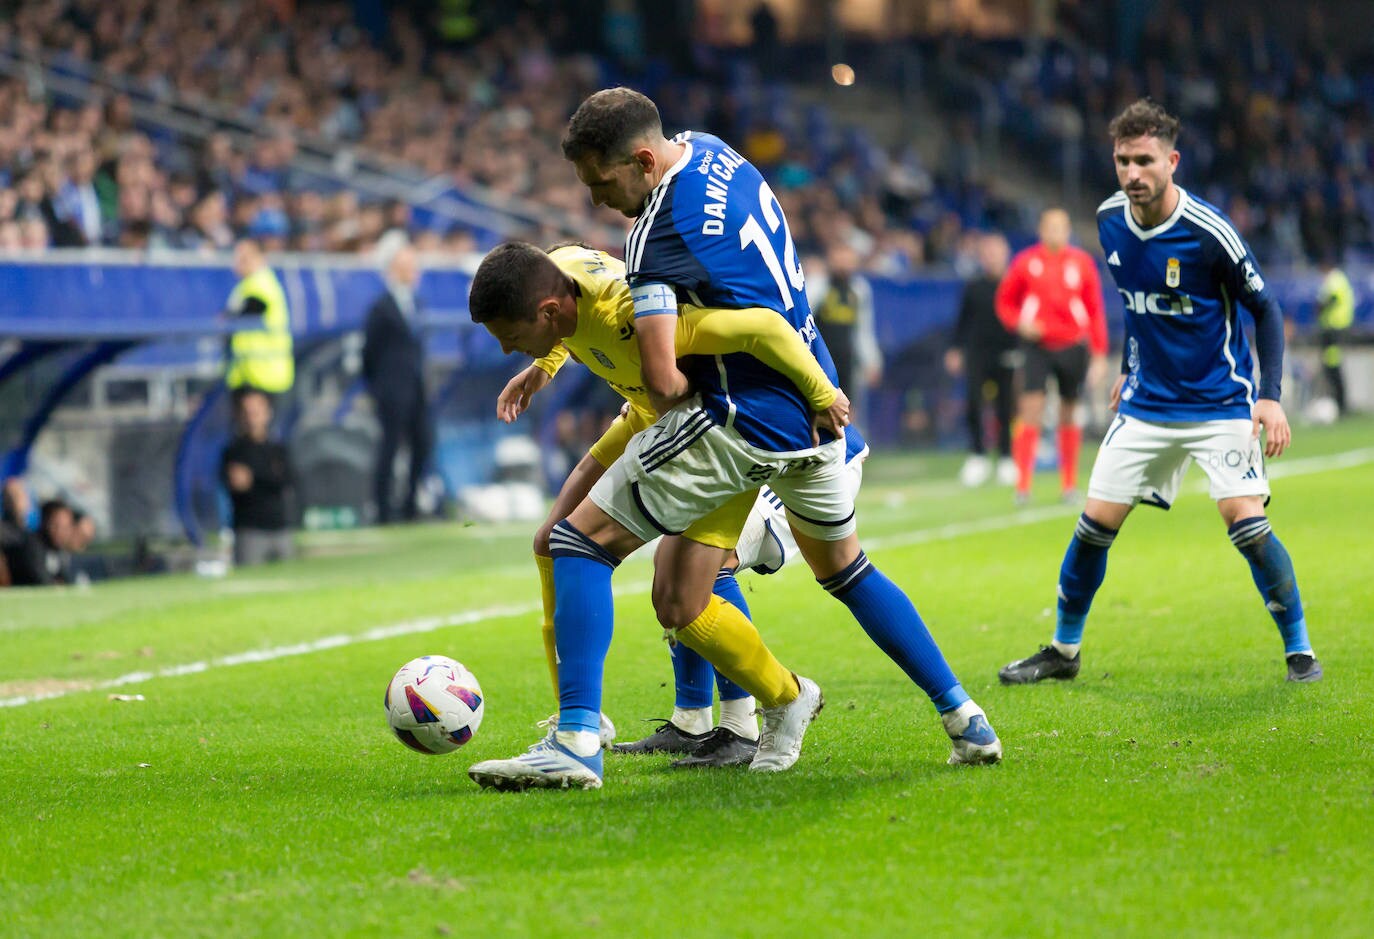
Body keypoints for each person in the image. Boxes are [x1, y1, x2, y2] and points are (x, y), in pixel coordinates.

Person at [467, 87, 1001, 791]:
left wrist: (670, 385)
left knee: (577, 539)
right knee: (818, 576)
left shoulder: (652, 245)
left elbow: (664, 377)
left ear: (641, 159)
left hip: (745, 414)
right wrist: (819, 390)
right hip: (810, 409)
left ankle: (576, 738)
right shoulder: (716, 154)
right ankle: (965, 719)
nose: (598, 199)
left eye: (603, 182)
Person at [483, 241, 870, 768]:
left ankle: (737, 713)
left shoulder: (627, 310)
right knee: (551, 542)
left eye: (512, 339)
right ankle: (581, 723)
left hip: (702, 430)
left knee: (684, 577)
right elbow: (553, 299)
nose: (509, 350)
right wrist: (543, 366)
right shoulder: (561, 266)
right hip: (645, 416)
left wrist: (822, 390)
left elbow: (756, 329)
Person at [999, 99, 1321, 687]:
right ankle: (1064, 651)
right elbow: (1137, 304)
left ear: (1172, 160)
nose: (1132, 174)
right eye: (1122, 161)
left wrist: (1269, 397)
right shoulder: (1108, 219)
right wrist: (1129, 362)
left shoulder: (1208, 231)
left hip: (1220, 402)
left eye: (1144, 161)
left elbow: (1266, 309)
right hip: (1147, 404)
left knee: (1245, 524)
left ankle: (1298, 648)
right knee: (1093, 525)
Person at [995, 208, 1108, 504]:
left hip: (1072, 346)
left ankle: (1068, 484)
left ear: (1068, 230)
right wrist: (1021, 323)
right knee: (1030, 407)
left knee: (1069, 411)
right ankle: (1022, 486)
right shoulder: (1026, 263)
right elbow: (1005, 303)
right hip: (1038, 347)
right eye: (1050, 227)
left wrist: (1099, 354)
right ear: (1042, 230)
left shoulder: (1082, 263)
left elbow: (1095, 310)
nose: (1055, 232)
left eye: (1061, 227)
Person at [362, 239, 435, 523]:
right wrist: (377, 387)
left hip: (416, 387)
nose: (412, 271)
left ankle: (409, 505)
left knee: (422, 443)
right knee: (389, 447)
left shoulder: (416, 303)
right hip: (391, 389)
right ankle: (382, 509)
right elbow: (369, 352)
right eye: (406, 266)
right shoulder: (381, 308)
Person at [946, 232, 1019, 487]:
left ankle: (1007, 458)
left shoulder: (1016, 284)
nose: (992, 258)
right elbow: (962, 321)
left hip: (1009, 353)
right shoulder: (974, 286)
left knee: (1006, 407)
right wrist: (955, 349)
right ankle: (977, 455)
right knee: (974, 403)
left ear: (1006, 254)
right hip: (978, 353)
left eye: (996, 252)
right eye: (987, 253)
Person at [221, 388, 296, 566]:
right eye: (247, 411)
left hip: (280, 529)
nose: (252, 416)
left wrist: (254, 478)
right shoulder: (234, 451)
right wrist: (267, 477)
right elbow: (236, 483)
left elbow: (285, 480)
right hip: (250, 531)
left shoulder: (278, 450)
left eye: (257, 411)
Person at [808, 243, 882, 405]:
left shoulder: (859, 290)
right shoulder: (817, 286)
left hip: (846, 360)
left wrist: (871, 361)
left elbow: (863, 329)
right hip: (820, 358)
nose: (843, 264)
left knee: (847, 408)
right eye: (839, 258)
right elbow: (804, 320)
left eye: (848, 259)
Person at [224, 238, 294, 398]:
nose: (238, 262)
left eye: (245, 257)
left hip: (263, 375)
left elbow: (246, 311)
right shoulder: (248, 285)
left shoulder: (261, 284)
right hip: (251, 374)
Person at [1315, 254, 1355, 415]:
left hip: (1335, 329)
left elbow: (1330, 300)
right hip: (1335, 329)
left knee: (1333, 368)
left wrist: (1320, 307)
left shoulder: (1335, 279)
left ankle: (1341, 403)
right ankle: (1339, 403)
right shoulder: (1338, 279)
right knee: (1332, 367)